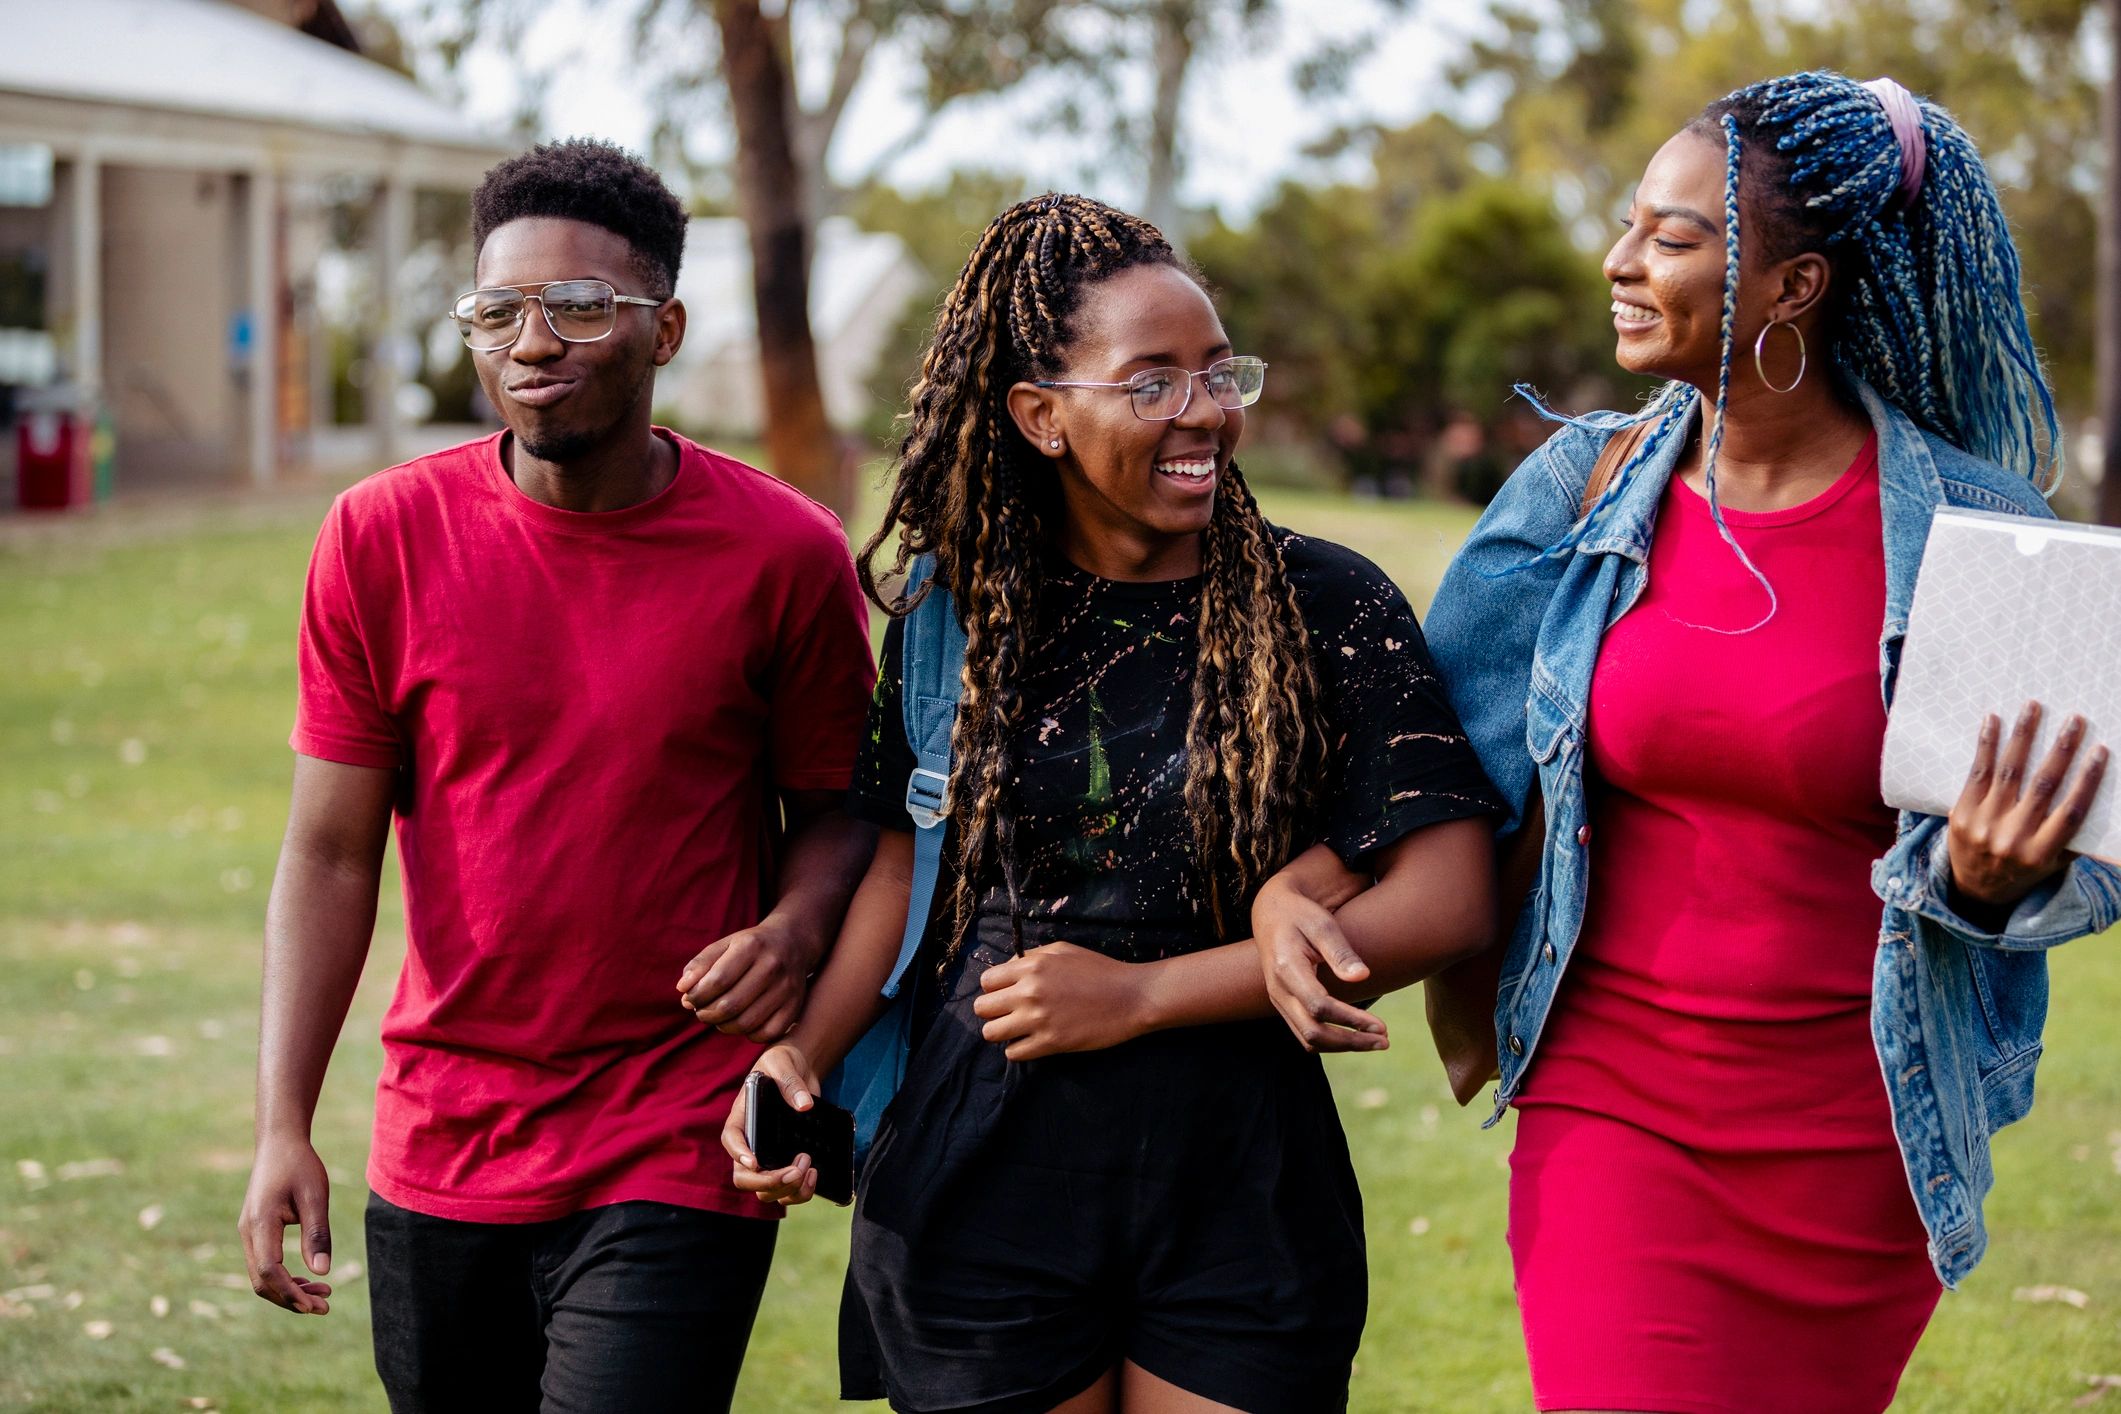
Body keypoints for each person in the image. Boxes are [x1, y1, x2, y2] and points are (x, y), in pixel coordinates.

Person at [721, 193, 1503, 1414]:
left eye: (1218, 372)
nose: (1204, 410)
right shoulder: (956, 615)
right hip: (985, 1165)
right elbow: (904, 864)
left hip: (1241, 1170)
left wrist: (1142, 997)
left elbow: (1450, 898)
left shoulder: (1329, 604)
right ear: (1039, 414)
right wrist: (801, 1054)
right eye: (1151, 382)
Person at [1410, 71, 2120, 1413]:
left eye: (1670, 237)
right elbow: (1425, 760)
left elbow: (2087, 847)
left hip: (1859, 1137)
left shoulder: (1975, 532)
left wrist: (1987, 881)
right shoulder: (1580, 486)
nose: (1620, 261)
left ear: (1795, 287)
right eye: (1631, 224)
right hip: (1612, 1103)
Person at [237, 138, 877, 1413]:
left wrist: (794, 932)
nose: (533, 341)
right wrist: (282, 1124)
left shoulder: (784, 553)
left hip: (675, 1128)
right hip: (444, 1133)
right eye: (499, 310)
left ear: (664, 328)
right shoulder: (379, 538)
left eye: (581, 306)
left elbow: (843, 813)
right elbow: (330, 853)